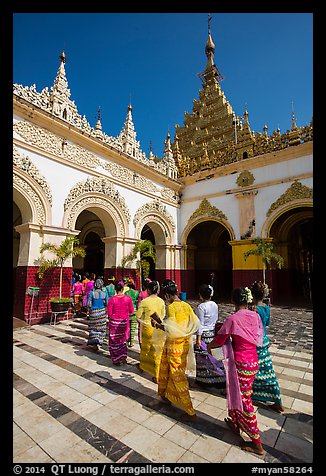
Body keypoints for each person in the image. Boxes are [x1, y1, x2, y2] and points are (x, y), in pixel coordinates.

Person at [207, 287, 265, 455]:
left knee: (244, 401)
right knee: (235, 393)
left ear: (233, 301)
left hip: (240, 364)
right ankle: (236, 422)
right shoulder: (255, 315)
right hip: (253, 362)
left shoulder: (232, 319)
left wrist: (208, 346)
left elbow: (220, 339)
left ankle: (257, 443)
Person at [151, 279, 200, 421]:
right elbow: (194, 324)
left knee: (178, 375)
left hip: (175, 346)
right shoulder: (186, 305)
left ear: (167, 295)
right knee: (167, 369)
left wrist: (158, 325)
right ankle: (165, 394)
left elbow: (170, 328)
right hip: (184, 344)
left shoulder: (172, 307)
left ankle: (190, 410)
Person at [250, 281, 284, 413]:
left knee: (253, 368)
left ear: (252, 294)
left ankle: (251, 391)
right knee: (267, 369)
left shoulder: (253, 310)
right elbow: (268, 323)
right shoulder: (266, 308)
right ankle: (276, 397)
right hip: (264, 340)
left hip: (255, 341)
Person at [194, 283, 226, 389]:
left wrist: (198, 339)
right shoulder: (214, 305)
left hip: (204, 335)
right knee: (215, 358)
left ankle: (202, 381)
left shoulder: (201, 307)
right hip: (212, 334)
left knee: (202, 359)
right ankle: (220, 379)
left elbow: (200, 324)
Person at [136, 280, 166, 382]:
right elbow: (163, 316)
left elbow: (138, 316)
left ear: (148, 290)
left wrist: (144, 321)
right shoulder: (161, 301)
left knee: (146, 349)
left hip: (147, 328)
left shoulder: (144, 302)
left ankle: (143, 366)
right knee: (157, 351)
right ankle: (157, 374)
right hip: (159, 328)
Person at [107, 281, 134, 366]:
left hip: (114, 322)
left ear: (115, 289)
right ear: (122, 289)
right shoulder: (128, 298)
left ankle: (116, 359)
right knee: (122, 341)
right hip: (124, 322)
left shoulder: (112, 299)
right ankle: (123, 356)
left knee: (114, 341)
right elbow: (131, 311)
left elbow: (109, 313)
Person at [81, 278, 108, 352]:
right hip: (102, 312)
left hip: (93, 312)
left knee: (93, 328)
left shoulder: (91, 293)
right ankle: (99, 342)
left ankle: (94, 343)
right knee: (101, 328)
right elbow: (107, 303)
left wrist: (89, 310)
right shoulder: (104, 294)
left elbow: (88, 304)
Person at [125, 280, 140, 348]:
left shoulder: (126, 293)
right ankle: (131, 342)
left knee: (127, 327)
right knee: (133, 327)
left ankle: (127, 339)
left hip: (127, 311)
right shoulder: (137, 293)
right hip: (134, 310)